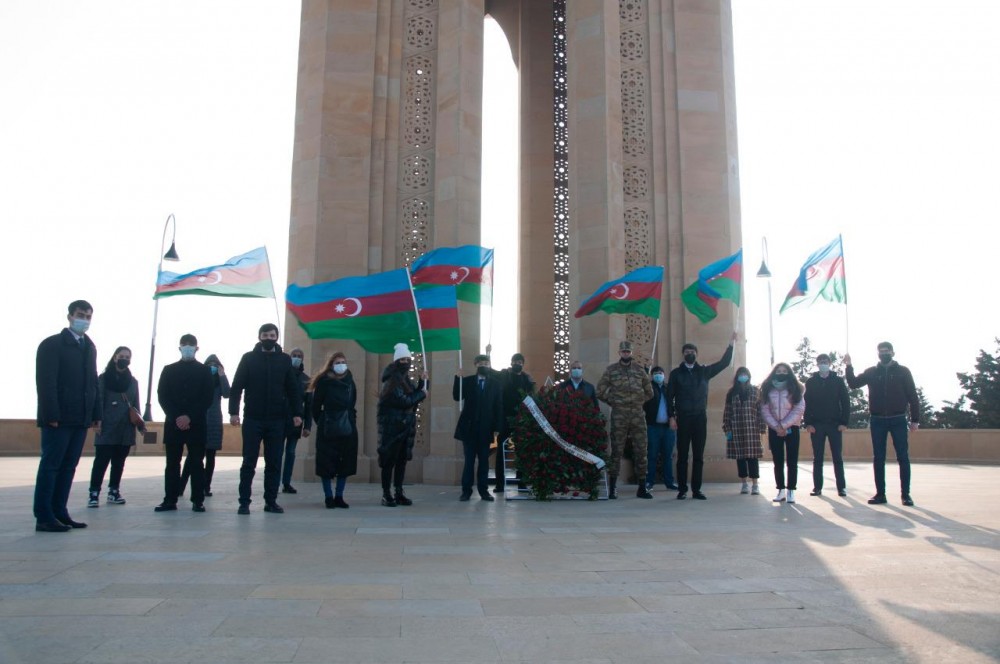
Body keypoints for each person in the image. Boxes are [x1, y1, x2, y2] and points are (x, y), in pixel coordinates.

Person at [34, 300, 100, 532]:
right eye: (80, 315)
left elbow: (93, 382)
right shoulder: (52, 345)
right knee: (51, 465)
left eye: (88, 316)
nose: (84, 319)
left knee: (69, 467)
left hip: (80, 418)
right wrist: (51, 414)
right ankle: (44, 515)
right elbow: (46, 383)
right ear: (70, 316)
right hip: (58, 418)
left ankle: (59, 511)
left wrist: (95, 413)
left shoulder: (89, 347)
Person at [229, 323, 303, 515]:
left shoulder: (284, 360)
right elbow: (237, 386)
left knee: (274, 463)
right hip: (253, 418)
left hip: (277, 420)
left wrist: (297, 413)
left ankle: (271, 501)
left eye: (272, 335)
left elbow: (293, 389)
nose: (269, 338)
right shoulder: (248, 358)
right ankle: (244, 502)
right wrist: (233, 412)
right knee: (249, 462)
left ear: (276, 337)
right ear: (259, 336)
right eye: (265, 335)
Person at [845, 342, 920, 506]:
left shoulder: (903, 372)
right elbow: (853, 384)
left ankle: (905, 495)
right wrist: (849, 366)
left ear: (893, 352)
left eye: (887, 351)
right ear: (877, 353)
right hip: (877, 420)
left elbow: (912, 396)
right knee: (878, 458)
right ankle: (880, 494)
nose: (884, 354)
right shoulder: (872, 372)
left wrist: (915, 420)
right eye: (881, 351)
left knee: (903, 457)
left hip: (898, 418)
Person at [666, 331, 736, 500]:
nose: (690, 354)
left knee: (698, 456)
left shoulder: (704, 371)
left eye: (692, 352)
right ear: (683, 355)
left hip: (699, 418)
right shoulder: (676, 373)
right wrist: (671, 417)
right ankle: (682, 489)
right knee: (682, 455)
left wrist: (731, 344)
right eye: (687, 352)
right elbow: (670, 397)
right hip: (683, 418)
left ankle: (696, 490)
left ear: (696, 354)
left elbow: (724, 363)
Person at [156, 334, 214, 512]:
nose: (188, 347)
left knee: (197, 463)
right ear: (179, 347)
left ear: (197, 348)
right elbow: (162, 396)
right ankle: (170, 500)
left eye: (191, 345)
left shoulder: (204, 371)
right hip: (174, 424)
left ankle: (198, 500)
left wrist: (189, 417)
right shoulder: (168, 369)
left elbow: (207, 398)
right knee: (172, 464)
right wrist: (177, 417)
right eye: (185, 345)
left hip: (196, 424)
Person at [596, 340, 654, 500]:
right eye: (623, 351)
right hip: (619, 416)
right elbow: (600, 391)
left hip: (637, 415)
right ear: (619, 352)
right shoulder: (611, 370)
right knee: (616, 451)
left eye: (628, 351)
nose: (626, 354)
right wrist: (614, 401)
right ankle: (613, 487)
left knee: (641, 451)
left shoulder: (639, 370)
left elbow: (650, 392)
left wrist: (637, 401)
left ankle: (642, 487)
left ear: (631, 352)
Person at [88, 346, 142, 508]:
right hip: (107, 425)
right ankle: (94, 492)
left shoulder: (133, 382)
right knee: (101, 461)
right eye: (122, 356)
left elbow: (135, 404)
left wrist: (139, 423)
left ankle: (114, 491)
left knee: (119, 462)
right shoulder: (104, 379)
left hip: (125, 427)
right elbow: (98, 400)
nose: (124, 359)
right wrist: (97, 420)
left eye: (128, 356)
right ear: (115, 357)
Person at [376, 343, 427, 506]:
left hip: (405, 427)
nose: (406, 362)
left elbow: (413, 399)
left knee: (401, 462)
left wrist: (423, 382)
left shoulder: (404, 379)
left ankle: (398, 492)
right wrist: (421, 393)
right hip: (393, 428)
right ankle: (386, 494)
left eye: (408, 359)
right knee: (389, 462)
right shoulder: (392, 381)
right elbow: (404, 401)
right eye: (402, 359)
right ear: (396, 361)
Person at [454, 354, 504, 502]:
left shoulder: (496, 384)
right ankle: (466, 491)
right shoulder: (468, 381)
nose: (485, 365)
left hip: (486, 429)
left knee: (484, 462)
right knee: (469, 462)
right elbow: (457, 396)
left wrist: (498, 427)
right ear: (476, 364)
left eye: (487, 363)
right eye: (482, 363)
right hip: (469, 429)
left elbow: (498, 406)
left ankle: (484, 491)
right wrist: (457, 379)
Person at [310, 351, 357, 509]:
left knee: (345, 464)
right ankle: (328, 496)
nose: (341, 365)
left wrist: (350, 421)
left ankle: (339, 496)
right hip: (328, 427)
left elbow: (352, 404)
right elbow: (315, 406)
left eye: (343, 362)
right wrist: (323, 421)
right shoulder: (324, 381)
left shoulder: (350, 382)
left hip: (347, 427)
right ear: (331, 365)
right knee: (326, 464)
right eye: (337, 362)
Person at [179, 353, 230, 497]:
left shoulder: (219, 383)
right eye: (210, 365)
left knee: (211, 457)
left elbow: (227, 393)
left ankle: (206, 486)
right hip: (199, 420)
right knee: (193, 456)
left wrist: (222, 375)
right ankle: (181, 485)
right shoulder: (199, 380)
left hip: (214, 422)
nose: (212, 368)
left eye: (215, 366)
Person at [803, 353, 850, 497]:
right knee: (817, 458)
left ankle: (841, 487)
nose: (823, 363)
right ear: (817, 364)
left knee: (837, 457)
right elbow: (806, 404)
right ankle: (817, 487)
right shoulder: (811, 382)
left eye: (825, 361)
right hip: (816, 425)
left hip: (834, 425)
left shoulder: (838, 380)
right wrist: (808, 423)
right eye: (820, 361)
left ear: (830, 363)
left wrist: (844, 422)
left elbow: (845, 402)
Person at [760, 363, 805, 504]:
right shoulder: (767, 388)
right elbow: (765, 410)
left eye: (784, 371)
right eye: (778, 371)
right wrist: (776, 426)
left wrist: (784, 425)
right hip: (774, 430)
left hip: (792, 428)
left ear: (789, 373)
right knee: (777, 461)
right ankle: (780, 490)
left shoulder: (796, 388)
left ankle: (791, 490)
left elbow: (798, 409)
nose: (781, 373)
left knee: (792, 461)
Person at [493, 352, 535, 491]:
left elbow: (532, 396)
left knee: (522, 451)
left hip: (521, 419)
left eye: (520, 362)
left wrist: (531, 382)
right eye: (515, 361)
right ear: (511, 362)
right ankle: (500, 484)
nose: (518, 364)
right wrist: (488, 354)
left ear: (523, 364)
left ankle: (522, 482)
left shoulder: (526, 378)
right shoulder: (505, 374)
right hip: (505, 418)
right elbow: (491, 373)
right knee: (501, 452)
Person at [722, 367, 766, 495]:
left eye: (745, 374)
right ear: (737, 377)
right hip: (736, 429)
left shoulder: (755, 391)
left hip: (752, 429)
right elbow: (727, 412)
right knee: (740, 458)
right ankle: (744, 483)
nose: (743, 376)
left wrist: (762, 427)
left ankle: (755, 484)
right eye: (741, 374)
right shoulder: (731, 393)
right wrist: (727, 429)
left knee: (753, 457)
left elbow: (760, 411)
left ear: (749, 376)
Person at [281, 347, 313, 494]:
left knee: (291, 452)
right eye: (294, 355)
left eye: (299, 356)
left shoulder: (306, 379)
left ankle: (286, 482)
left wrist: (308, 426)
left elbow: (309, 405)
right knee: (276, 452)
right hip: (280, 419)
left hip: (296, 421)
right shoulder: (281, 375)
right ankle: (273, 481)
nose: (297, 357)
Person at [643, 366, 678, 492]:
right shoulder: (648, 388)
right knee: (652, 455)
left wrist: (673, 418)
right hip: (653, 426)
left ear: (664, 375)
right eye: (656, 373)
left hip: (667, 427)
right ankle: (649, 482)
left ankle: (669, 482)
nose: (659, 375)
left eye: (661, 373)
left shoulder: (668, 388)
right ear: (652, 376)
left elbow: (674, 404)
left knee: (667, 456)